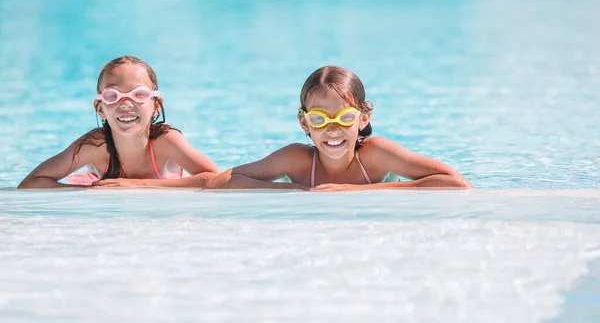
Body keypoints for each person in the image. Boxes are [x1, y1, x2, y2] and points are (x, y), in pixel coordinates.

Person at [97, 65, 470, 191]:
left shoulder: (377, 155)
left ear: (364, 119)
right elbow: (223, 181)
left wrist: (350, 194)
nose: (334, 130)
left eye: (345, 118)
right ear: (304, 122)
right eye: (321, 119)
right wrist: (133, 185)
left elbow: (455, 183)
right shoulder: (296, 160)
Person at [18, 56, 219, 189]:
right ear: (100, 109)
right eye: (112, 95)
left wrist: (137, 186)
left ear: (156, 105)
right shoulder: (94, 145)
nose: (126, 104)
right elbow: (31, 183)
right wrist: (90, 193)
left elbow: (217, 179)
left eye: (139, 94)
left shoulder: (166, 142)